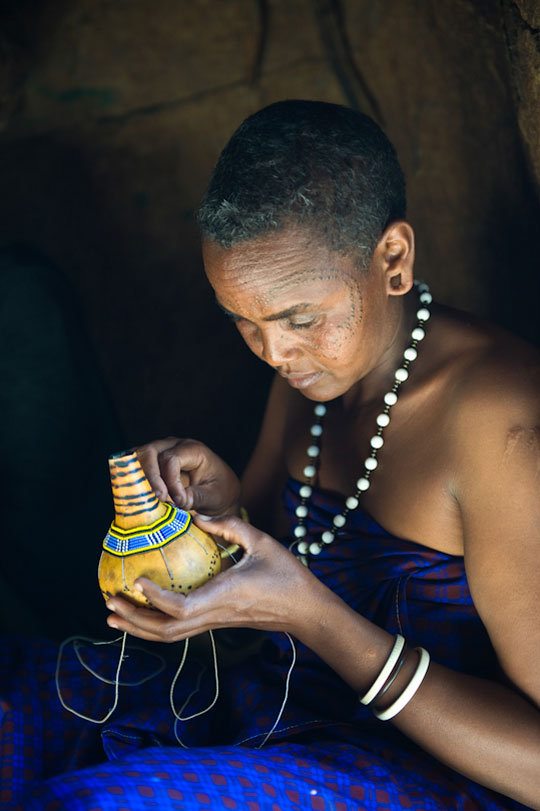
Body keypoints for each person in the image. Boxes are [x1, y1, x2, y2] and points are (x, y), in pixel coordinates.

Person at [2, 100, 539, 810]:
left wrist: (313, 615)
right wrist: (223, 516)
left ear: (394, 259)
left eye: (300, 318)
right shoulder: (312, 375)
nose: (275, 352)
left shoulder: (499, 429)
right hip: (273, 718)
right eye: (243, 322)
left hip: (420, 775)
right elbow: (256, 627)